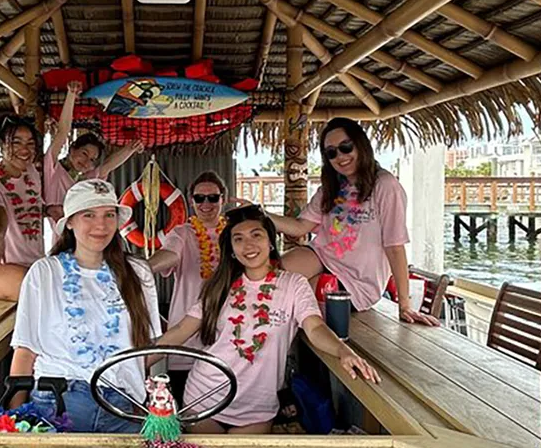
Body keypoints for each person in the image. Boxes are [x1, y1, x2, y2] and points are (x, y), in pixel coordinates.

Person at [153, 205, 379, 434]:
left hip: (257, 409)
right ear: (231, 249)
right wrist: (136, 363)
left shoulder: (294, 285)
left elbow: (315, 327)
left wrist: (342, 351)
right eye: (238, 239)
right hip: (203, 398)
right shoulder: (218, 287)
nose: (248, 245)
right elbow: (181, 331)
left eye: (256, 235)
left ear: (271, 242)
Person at [9, 179, 162, 433]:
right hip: (58, 400)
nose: (100, 225)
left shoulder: (138, 273)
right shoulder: (44, 272)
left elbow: (146, 350)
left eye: (108, 215)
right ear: (69, 222)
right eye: (88, 214)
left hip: (122, 403)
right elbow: (25, 350)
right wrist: (14, 418)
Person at [263, 118, 439, 326]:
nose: (340, 156)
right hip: (322, 257)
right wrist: (259, 214)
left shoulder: (385, 185)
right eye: (331, 152)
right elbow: (301, 226)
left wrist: (405, 305)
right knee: (270, 279)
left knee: (296, 297)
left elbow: (394, 247)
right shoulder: (331, 187)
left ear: (361, 145)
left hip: (356, 282)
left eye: (346, 147)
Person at [147, 171, 227, 400]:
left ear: (223, 199)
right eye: (199, 198)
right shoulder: (181, 233)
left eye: (213, 198)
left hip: (226, 336)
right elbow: (170, 255)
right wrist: (141, 269)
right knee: (183, 407)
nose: (206, 204)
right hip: (185, 337)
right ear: (191, 201)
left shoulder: (234, 234)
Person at [44, 81, 143, 228]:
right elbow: (63, 132)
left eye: (92, 159)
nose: (86, 161)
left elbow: (108, 166)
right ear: (72, 149)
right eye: (84, 153)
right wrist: (71, 96)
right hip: (59, 239)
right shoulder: (52, 169)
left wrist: (131, 148)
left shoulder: (85, 181)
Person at [0, 114, 45, 301]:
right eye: (16, 142)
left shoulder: (32, 174)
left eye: (30, 143)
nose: (24, 149)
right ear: (1, 144)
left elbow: (27, 210)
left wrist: (50, 210)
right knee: (40, 293)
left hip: (33, 264)